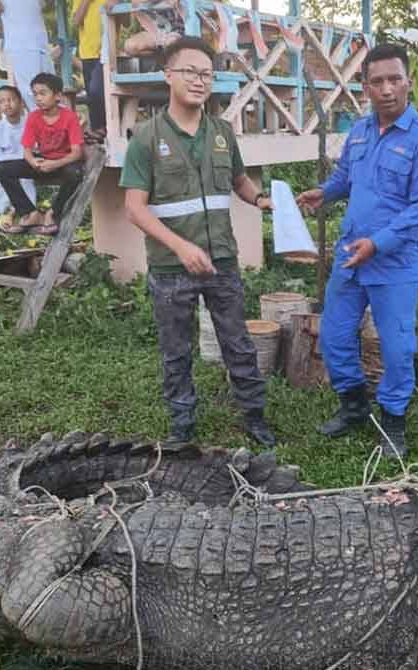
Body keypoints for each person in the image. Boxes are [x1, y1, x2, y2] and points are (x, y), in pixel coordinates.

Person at [119, 37, 276, 448]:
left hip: (221, 259)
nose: (199, 80)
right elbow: (135, 208)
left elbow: (239, 180)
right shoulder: (146, 138)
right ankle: (182, 424)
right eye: (190, 71)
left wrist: (260, 199)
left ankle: (255, 417)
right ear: (168, 75)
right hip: (172, 269)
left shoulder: (222, 132)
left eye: (206, 73)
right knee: (177, 350)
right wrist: (181, 247)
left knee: (238, 343)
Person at [296, 43, 418, 459]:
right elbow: (347, 176)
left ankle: (394, 420)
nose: (386, 89)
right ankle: (354, 407)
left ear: (408, 82)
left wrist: (377, 243)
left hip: (393, 263)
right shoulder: (361, 131)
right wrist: (323, 193)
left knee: (398, 347)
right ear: (365, 86)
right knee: (334, 335)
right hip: (350, 256)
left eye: (394, 79)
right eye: (377, 81)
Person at [0, 73, 84, 235]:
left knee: (75, 172)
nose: (38, 98)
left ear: (58, 96)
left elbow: (77, 153)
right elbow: (27, 150)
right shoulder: (34, 117)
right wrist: (34, 162)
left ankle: (53, 213)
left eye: (43, 93)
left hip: (63, 163)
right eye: (35, 94)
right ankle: (30, 212)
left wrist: (54, 164)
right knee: (1, 169)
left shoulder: (69, 117)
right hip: (41, 162)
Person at [0, 85, 37, 234]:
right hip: (7, 166)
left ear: (20, 102)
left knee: (24, 179)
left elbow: (35, 148)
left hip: (26, 165)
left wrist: (21, 158)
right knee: (5, 175)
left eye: (11, 100)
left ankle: (6, 211)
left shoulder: (30, 123)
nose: (7, 104)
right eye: (2, 101)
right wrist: (12, 159)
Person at [0, 0, 54, 112]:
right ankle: (43, 127)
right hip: (21, 46)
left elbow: (47, 3)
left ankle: (57, 127)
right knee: (33, 93)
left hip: (41, 43)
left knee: (53, 90)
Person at [71, 0, 115, 139]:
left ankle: (107, 130)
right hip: (86, 53)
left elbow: (126, 21)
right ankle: (98, 133)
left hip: (107, 52)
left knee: (98, 90)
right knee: (92, 94)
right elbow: (75, 21)